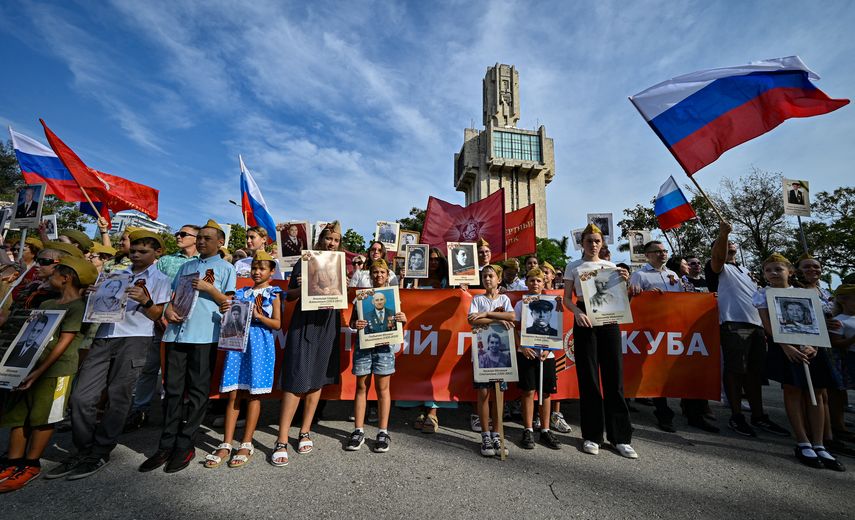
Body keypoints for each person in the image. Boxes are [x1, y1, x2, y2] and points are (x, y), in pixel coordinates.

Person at [44, 230, 172, 480]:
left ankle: (100, 451)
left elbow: (157, 315)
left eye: (143, 251)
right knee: (81, 396)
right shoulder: (115, 274)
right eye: (133, 250)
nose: (136, 255)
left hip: (135, 338)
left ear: (157, 253)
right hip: (104, 335)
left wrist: (145, 301)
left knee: (118, 397)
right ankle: (84, 448)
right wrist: (93, 295)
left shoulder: (160, 279)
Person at [139, 220, 236, 474]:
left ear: (220, 242)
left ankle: (185, 445)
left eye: (207, 238)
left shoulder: (227, 268)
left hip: (204, 336)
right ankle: (166, 445)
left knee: (197, 393)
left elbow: (229, 303)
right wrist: (168, 310)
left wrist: (209, 289)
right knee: (172, 391)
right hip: (175, 335)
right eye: (199, 237)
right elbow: (173, 296)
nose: (201, 241)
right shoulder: (186, 266)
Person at [0, 256, 96, 492]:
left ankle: (31, 464)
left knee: (43, 418)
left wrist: (39, 372)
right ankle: (14, 462)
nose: (49, 277)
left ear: (66, 278)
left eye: (54, 274)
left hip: (56, 371)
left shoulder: (77, 307)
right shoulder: (47, 303)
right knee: (19, 416)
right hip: (29, 366)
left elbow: (64, 343)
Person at [755, 253, 843, 471]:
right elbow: (767, 324)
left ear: (790, 272)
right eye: (768, 270)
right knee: (793, 390)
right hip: (785, 348)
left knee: (817, 392)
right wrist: (786, 346)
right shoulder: (763, 294)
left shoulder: (804, 294)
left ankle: (819, 443)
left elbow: (817, 321)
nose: (774, 273)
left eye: (778, 269)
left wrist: (815, 345)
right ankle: (803, 441)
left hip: (810, 347)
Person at [705, 222, 789, 438]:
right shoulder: (718, 268)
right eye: (724, 243)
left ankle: (759, 416)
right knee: (736, 370)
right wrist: (722, 234)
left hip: (757, 326)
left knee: (755, 372)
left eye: (731, 242)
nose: (730, 244)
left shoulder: (746, 271)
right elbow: (717, 258)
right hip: (734, 324)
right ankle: (736, 416)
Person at [272, 222, 343, 466]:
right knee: (296, 377)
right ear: (321, 239)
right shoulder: (305, 261)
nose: (331, 243)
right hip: (305, 321)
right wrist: (301, 286)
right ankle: (282, 439)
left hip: (328, 322)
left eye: (336, 240)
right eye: (328, 238)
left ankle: (305, 430)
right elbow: (289, 295)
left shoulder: (339, 264)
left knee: (317, 376)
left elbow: (340, 295)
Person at [564, 223, 637, 459]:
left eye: (597, 241)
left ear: (602, 243)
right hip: (585, 319)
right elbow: (567, 299)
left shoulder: (611, 267)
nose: (593, 245)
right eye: (589, 241)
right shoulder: (574, 266)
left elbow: (619, 299)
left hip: (609, 320)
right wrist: (577, 312)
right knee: (589, 379)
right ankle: (592, 435)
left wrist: (626, 282)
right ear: (582, 243)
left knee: (614, 377)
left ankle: (620, 437)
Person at [205, 251, 281, 469]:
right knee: (234, 394)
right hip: (238, 345)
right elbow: (231, 316)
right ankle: (226, 442)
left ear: (271, 272)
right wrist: (225, 310)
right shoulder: (241, 293)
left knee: (254, 395)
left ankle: (246, 443)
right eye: (254, 268)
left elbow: (277, 324)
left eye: (262, 268)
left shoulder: (273, 294)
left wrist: (259, 316)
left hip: (260, 346)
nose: (257, 272)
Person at [124, 224, 201, 432]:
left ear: (196, 238)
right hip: (158, 320)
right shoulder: (166, 261)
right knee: (149, 367)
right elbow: (153, 286)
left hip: (188, 324)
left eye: (183, 234)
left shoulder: (203, 262)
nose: (178, 236)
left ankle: (177, 411)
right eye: (178, 233)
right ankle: (140, 409)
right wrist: (162, 313)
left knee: (181, 370)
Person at [345, 259, 407, 453]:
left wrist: (403, 320)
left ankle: (383, 431)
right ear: (370, 276)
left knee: (383, 389)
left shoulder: (394, 299)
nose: (379, 275)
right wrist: (355, 325)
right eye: (375, 272)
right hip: (364, 347)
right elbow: (352, 322)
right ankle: (358, 430)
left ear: (388, 275)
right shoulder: (362, 298)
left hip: (385, 349)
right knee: (361, 387)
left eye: (382, 272)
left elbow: (398, 326)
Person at [467, 264, 515, 456]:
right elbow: (472, 320)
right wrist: (496, 319)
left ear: (499, 279)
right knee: (484, 394)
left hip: (501, 357)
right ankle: (485, 435)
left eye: (491, 276)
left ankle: (497, 433)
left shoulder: (504, 299)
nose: (487, 279)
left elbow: (511, 316)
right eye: (484, 276)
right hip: (482, 355)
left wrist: (487, 314)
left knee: (498, 395)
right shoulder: (477, 299)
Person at [514, 267, 562, 450]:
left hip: (546, 355)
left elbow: (557, 330)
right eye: (532, 280)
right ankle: (527, 429)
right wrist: (522, 346)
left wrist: (548, 350)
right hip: (526, 353)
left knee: (546, 392)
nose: (535, 283)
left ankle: (545, 429)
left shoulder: (553, 302)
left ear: (544, 283)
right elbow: (514, 328)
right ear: (526, 282)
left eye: (539, 280)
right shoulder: (521, 304)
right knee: (528, 391)